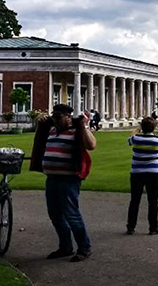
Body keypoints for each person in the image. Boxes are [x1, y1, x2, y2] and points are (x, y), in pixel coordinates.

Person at [30, 104, 97, 262]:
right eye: (54, 117)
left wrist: (83, 126)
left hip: (69, 180)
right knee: (55, 215)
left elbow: (91, 145)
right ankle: (65, 247)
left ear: (68, 117)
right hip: (52, 178)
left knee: (72, 215)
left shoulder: (76, 131)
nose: (56, 120)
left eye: (59, 117)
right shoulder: (52, 130)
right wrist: (42, 125)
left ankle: (84, 247)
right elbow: (39, 144)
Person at [126, 117, 158, 235]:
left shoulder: (136, 138)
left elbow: (129, 140)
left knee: (135, 200)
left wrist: (137, 129)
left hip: (137, 172)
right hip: (153, 172)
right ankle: (153, 227)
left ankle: (131, 227)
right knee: (153, 201)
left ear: (142, 127)